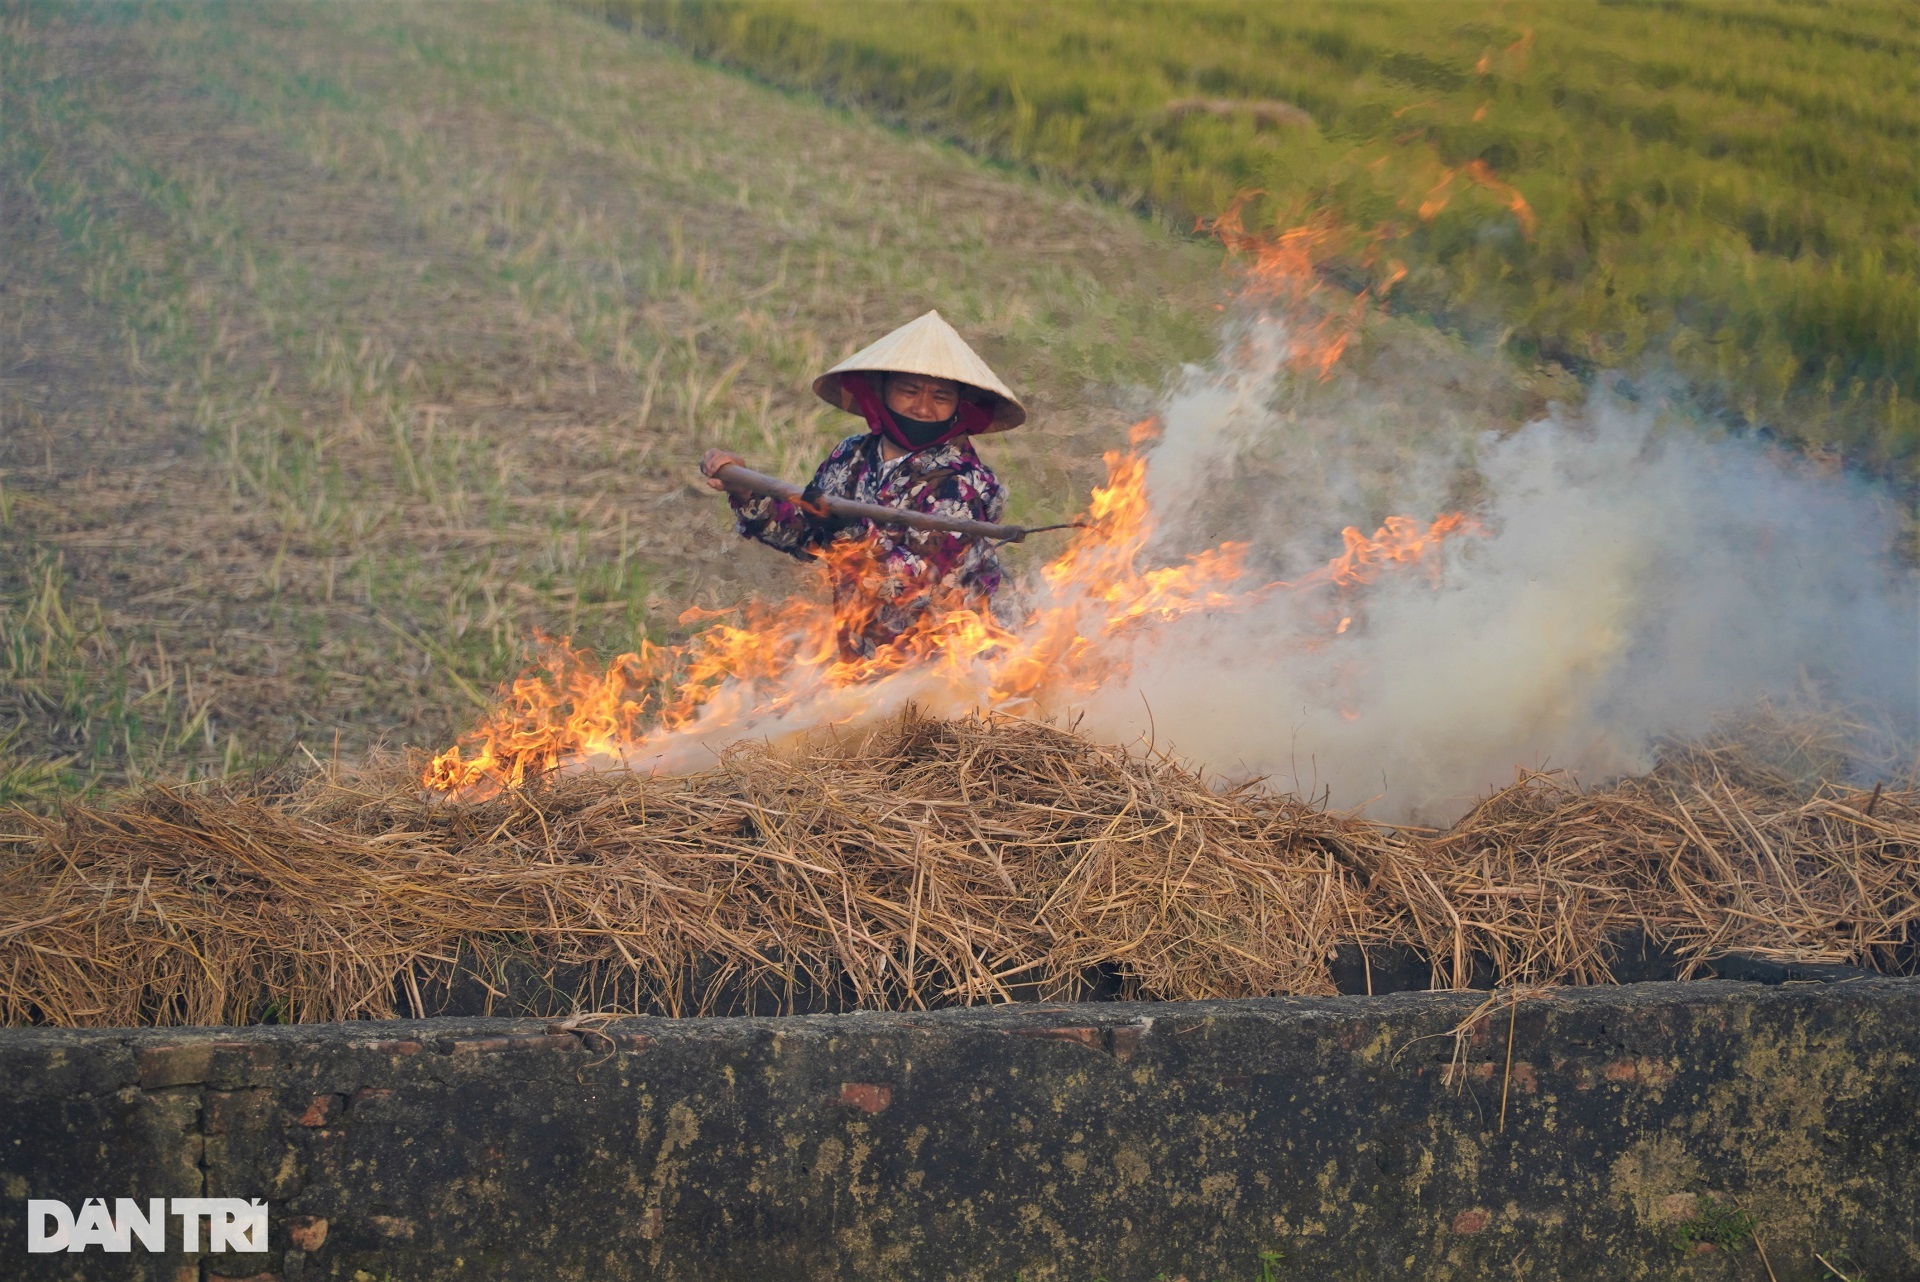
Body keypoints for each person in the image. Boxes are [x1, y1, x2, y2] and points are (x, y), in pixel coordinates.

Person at [701, 310, 1025, 659]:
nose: (923, 408)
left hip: (947, 662)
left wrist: (852, 532)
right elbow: (806, 537)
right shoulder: (850, 456)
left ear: (958, 407)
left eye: (941, 398)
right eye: (910, 391)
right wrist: (748, 493)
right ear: (881, 391)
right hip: (862, 656)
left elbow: (922, 583)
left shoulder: (965, 483)